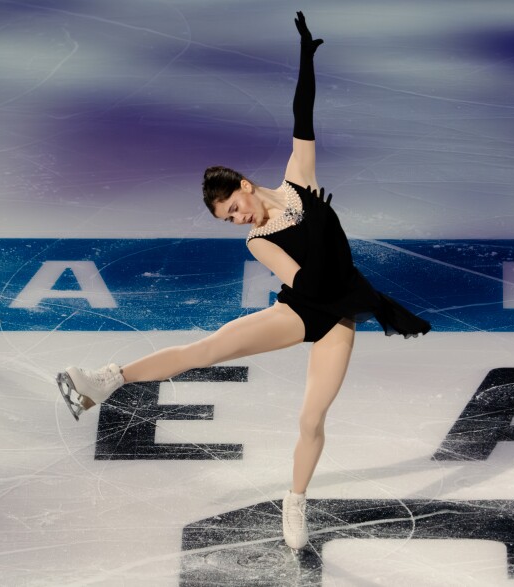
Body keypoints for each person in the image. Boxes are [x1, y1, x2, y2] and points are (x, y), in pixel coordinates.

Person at [56, 12, 430, 550]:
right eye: (228, 219)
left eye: (235, 208)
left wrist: (306, 56)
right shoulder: (258, 240)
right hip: (302, 309)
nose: (238, 220)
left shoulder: (300, 181)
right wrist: (322, 236)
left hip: (339, 316)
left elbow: (303, 115)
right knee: (206, 350)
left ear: (247, 187)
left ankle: (294, 502)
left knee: (312, 416)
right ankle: (104, 381)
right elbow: (306, 280)